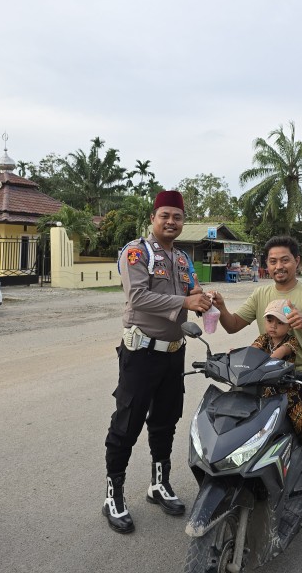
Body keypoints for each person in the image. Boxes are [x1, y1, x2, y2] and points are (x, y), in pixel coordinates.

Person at [211, 235, 302, 560]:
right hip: (261, 376)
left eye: (285, 260)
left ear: (297, 262)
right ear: (267, 265)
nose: (279, 266)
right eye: (273, 261)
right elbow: (236, 325)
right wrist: (222, 309)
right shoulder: (262, 293)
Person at [103, 190, 213, 534]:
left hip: (173, 352)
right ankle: (113, 495)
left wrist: (205, 298)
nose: (171, 222)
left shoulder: (182, 259)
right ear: (153, 218)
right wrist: (186, 300)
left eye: (177, 217)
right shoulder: (136, 252)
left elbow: (192, 295)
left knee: (166, 420)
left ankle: (158, 484)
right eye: (165, 215)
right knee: (128, 423)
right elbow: (137, 296)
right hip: (140, 353)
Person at [252, 299, 302, 474]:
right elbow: (252, 352)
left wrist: (257, 360)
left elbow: (276, 356)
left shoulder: (291, 342)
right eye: (270, 320)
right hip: (263, 388)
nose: (273, 326)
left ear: (289, 326)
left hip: (284, 391)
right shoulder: (263, 339)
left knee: (301, 421)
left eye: (280, 322)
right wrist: (236, 355)